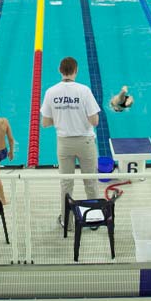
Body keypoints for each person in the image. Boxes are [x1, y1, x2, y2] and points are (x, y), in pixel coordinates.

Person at [41, 57, 101, 221]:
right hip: (85, 142)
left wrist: (61, 118)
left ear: (60, 71)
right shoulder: (84, 90)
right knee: (90, 181)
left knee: (66, 183)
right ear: (76, 70)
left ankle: (66, 220)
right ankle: (94, 218)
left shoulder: (51, 92)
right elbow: (95, 121)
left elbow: (45, 123)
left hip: (64, 143)